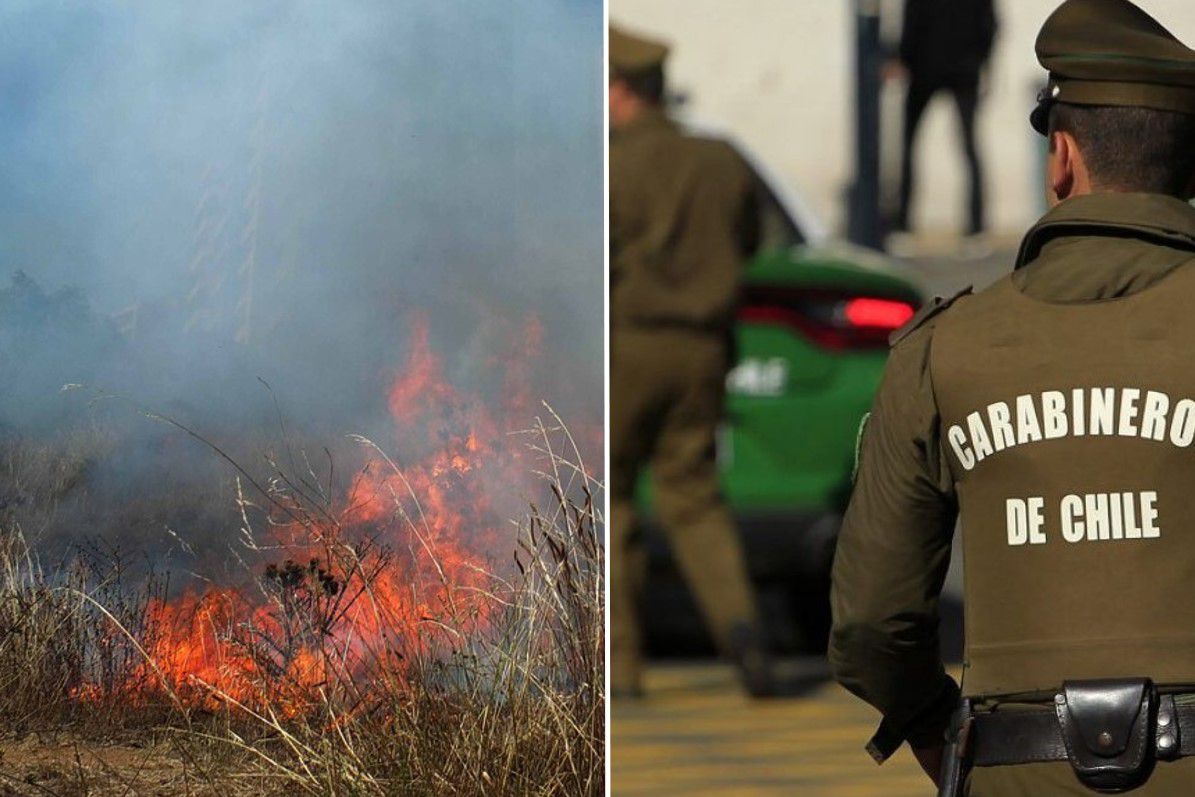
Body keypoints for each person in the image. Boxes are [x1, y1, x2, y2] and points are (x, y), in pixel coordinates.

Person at [830, 0, 1195, 793]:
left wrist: (938, 731)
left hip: (1014, 768)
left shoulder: (943, 346)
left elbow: (868, 622)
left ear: (1060, 157)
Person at [608, 24, 773, 699]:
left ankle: (616, 669)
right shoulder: (719, 158)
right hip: (704, 348)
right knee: (694, 498)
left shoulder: (612, 164)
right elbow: (752, 242)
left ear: (619, 91)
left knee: (607, 499)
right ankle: (744, 638)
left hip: (627, 345)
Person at [890, 0, 997, 242]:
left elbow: (911, 22)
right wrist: (982, 63)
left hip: (925, 68)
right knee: (969, 147)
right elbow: (990, 25)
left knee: (910, 146)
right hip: (962, 70)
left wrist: (904, 59)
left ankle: (904, 223)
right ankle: (976, 225)